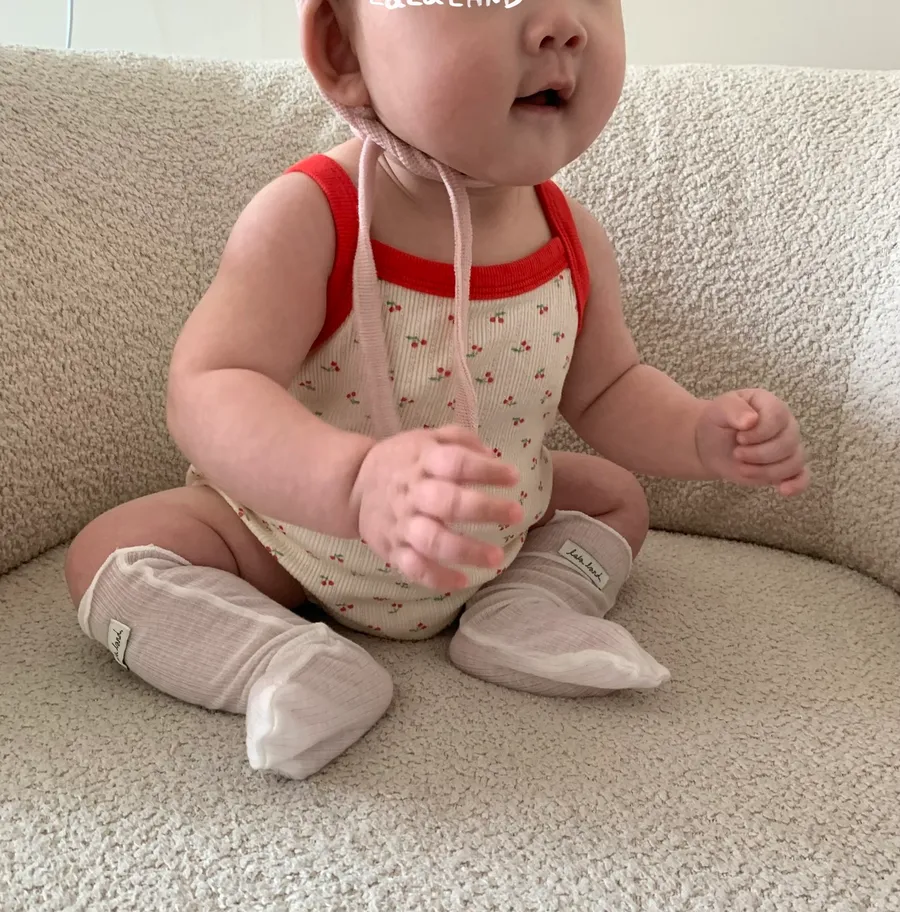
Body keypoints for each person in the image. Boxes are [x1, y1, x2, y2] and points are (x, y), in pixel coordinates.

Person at [64, 0, 809, 780]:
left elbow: (610, 389)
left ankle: (526, 608)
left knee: (615, 498)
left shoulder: (574, 239)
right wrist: (354, 484)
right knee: (110, 555)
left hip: (494, 530)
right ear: (342, 50)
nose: (563, 26)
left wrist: (697, 433)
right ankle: (279, 660)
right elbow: (209, 385)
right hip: (287, 542)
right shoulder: (313, 217)